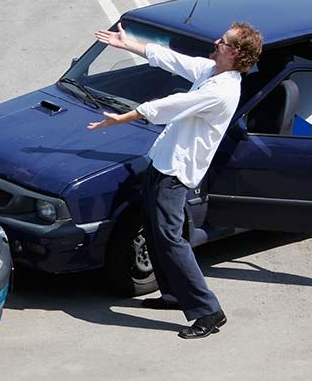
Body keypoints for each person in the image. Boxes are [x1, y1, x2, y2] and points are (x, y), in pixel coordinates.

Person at [87, 21, 263, 339]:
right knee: (157, 232)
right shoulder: (212, 71)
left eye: (222, 40)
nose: (215, 40)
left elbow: (171, 105)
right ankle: (172, 295)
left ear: (234, 52)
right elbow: (172, 59)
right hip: (163, 162)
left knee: (170, 239)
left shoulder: (221, 90)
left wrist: (123, 118)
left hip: (176, 173)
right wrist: (128, 44)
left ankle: (209, 312)